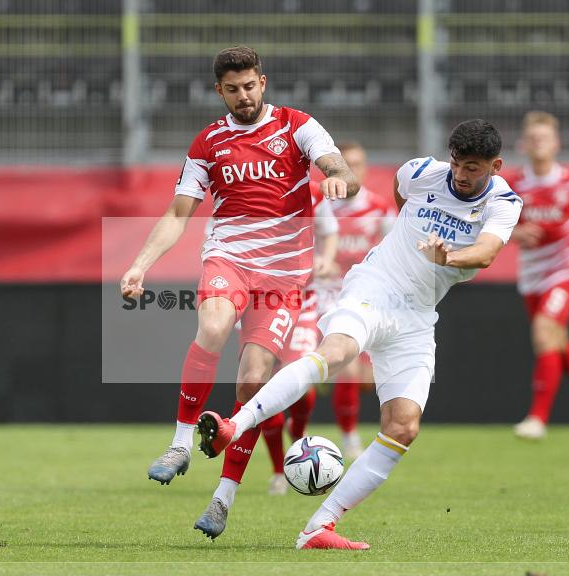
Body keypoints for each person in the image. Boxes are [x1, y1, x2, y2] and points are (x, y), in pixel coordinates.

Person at [196, 119, 522, 549]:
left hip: (417, 316)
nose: (460, 174)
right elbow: (402, 196)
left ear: (495, 166)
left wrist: (450, 258)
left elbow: (487, 252)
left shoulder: (504, 201)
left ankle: (318, 528)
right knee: (336, 353)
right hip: (375, 286)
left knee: (403, 427)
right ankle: (233, 426)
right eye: (457, 163)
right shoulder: (421, 172)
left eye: (473, 168)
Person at [119, 46, 359, 539]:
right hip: (229, 258)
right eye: (233, 89)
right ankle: (180, 444)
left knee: (253, 382)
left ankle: (222, 499)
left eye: (249, 86)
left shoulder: (297, 126)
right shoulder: (208, 142)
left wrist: (338, 178)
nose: (243, 96)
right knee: (211, 326)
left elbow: (338, 167)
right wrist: (139, 266)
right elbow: (178, 213)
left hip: (285, 277)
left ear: (262, 82)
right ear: (220, 91)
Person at [506, 112, 569, 440]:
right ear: (523, 144)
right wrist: (515, 233)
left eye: (545, 138)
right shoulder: (512, 185)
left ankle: (537, 419)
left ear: (556, 143)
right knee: (554, 338)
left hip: (566, 265)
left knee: (543, 331)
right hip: (532, 272)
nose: (539, 143)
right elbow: (493, 222)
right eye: (533, 138)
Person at [261, 187, 339, 496]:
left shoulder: (313, 193)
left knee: (300, 384)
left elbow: (329, 231)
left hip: (302, 301)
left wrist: (326, 260)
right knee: (266, 388)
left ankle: (298, 432)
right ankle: (278, 472)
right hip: (258, 304)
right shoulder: (246, 190)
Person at [322, 142, 397, 459]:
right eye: (346, 164)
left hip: (365, 298)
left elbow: (396, 255)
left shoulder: (380, 209)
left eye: (358, 164)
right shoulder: (321, 207)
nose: (353, 170)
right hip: (325, 296)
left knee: (365, 379)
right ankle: (350, 439)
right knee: (348, 370)